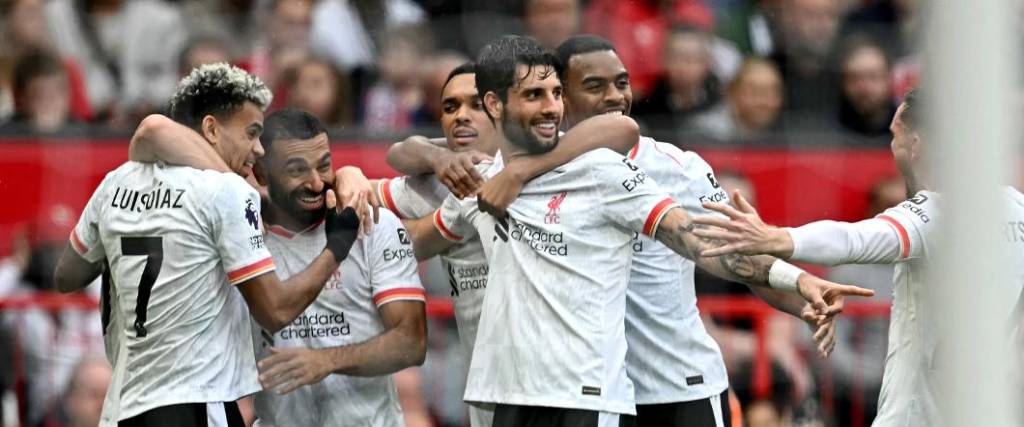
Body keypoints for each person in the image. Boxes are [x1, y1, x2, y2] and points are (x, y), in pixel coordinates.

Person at [420, 34, 871, 426]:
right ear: (564, 98)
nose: (615, 96)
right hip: (602, 392)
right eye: (593, 86)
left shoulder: (676, 168)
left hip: (678, 384)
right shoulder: (518, 171)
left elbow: (722, 249)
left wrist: (798, 292)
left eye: (622, 82)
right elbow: (417, 164)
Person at [691, 89, 1024, 426]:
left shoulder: (938, 212)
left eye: (894, 136)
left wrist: (777, 237)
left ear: (917, 146)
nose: (891, 149)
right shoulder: (1017, 209)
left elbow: (856, 238)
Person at [52, 63, 360, 426]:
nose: (259, 149)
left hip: (123, 408)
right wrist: (337, 248)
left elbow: (66, 276)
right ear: (211, 128)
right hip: (197, 402)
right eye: (251, 132)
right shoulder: (226, 191)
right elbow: (274, 310)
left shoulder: (115, 183)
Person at [242, 109, 427, 426]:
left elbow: (411, 342)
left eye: (324, 165)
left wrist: (325, 361)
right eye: (296, 170)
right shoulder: (244, 237)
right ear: (261, 173)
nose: (316, 182)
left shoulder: (374, 225)